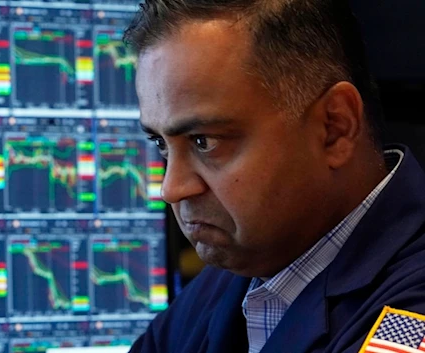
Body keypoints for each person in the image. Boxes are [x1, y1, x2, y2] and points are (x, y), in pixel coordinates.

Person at [124, 0, 425, 352]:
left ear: (334, 129)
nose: (171, 188)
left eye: (204, 142)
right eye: (161, 143)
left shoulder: (409, 321)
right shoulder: (245, 264)